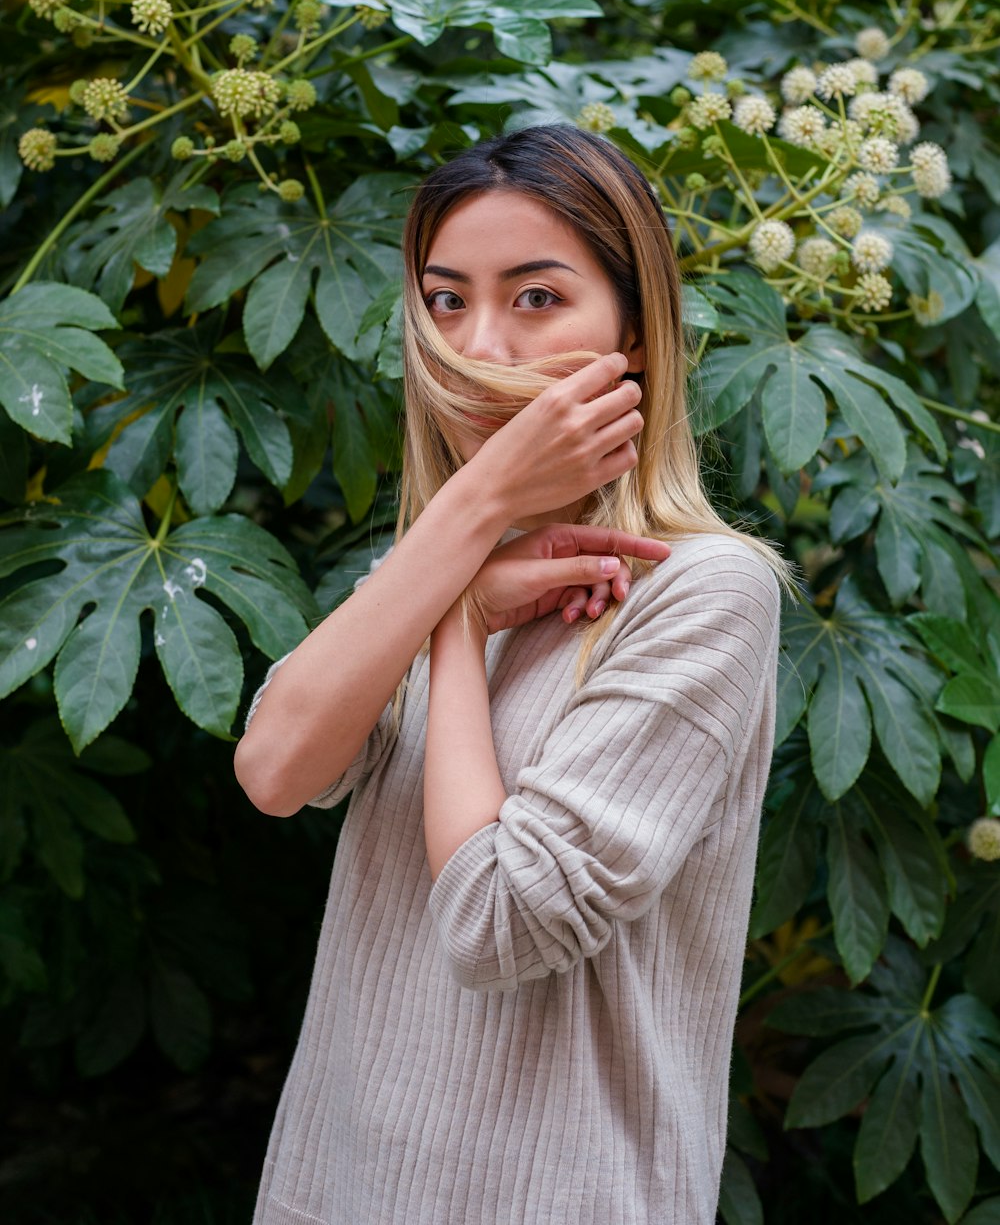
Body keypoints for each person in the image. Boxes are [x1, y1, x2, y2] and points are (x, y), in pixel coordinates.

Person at [234, 124, 790, 1225]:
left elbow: (497, 925)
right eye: (445, 300)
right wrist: (458, 565)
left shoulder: (705, 594)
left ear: (633, 331)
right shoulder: (440, 568)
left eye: (537, 298)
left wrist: (452, 613)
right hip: (336, 1187)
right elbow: (275, 769)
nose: (478, 343)